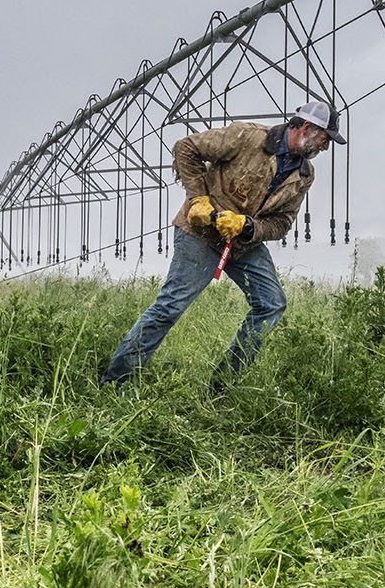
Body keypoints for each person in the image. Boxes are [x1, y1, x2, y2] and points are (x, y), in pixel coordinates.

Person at [99, 98, 345, 387]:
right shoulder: (248, 137)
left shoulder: (304, 175)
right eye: (325, 138)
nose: (325, 146)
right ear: (306, 127)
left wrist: (249, 226)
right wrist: (198, 199)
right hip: (201, 234)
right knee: (170, 306)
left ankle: (223, 384)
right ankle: (116, 382)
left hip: (243, 244)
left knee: (271, 304)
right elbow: (186, 148)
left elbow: (282, 223)